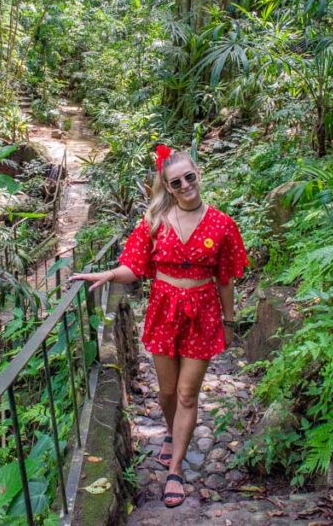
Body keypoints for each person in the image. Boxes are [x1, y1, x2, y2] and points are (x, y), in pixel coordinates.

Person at [71, 144, 248, 508]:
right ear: (167, 186)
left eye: (189, 177)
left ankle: (176, 469)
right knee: (167, 393)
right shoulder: (155, 222)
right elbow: (134, 267)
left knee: (186, 394)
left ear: (198, 174)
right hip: (164, 311)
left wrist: (229, 321)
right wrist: (109, 274)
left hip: (203, 313)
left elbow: (226, 279)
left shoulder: (222, 224)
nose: (185, 185)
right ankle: (172, 432)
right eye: (176, 182)